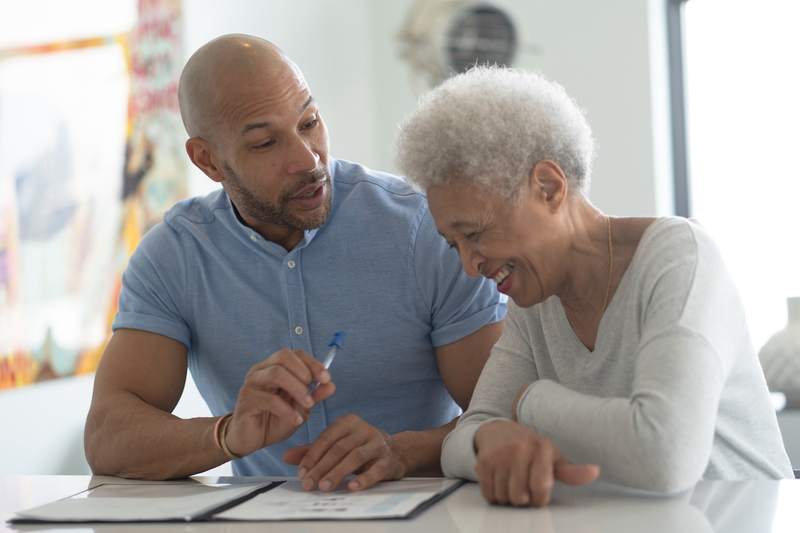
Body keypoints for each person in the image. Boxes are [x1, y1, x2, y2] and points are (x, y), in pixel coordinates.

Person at [83, 35, 505, 491]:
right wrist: (226, 434)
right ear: (208, 161)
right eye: (266, 143)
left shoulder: (424, 231)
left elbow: (504, 415)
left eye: (309, 122)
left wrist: (401, 452)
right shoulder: (176, 256)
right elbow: (108, 439)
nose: (307, 160)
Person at [395, 66, 793, 507]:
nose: (470, 267)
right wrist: (490, 438)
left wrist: (529, 404)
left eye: (474, 234)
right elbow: (465, 436)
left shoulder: (680, 257)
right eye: (454, 245)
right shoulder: (534, 300)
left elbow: (665, 454)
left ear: (548, 186)